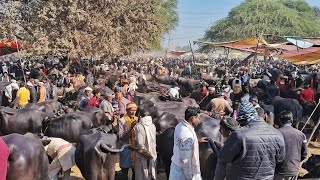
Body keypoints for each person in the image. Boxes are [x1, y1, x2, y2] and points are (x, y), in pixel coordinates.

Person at [214, 102, 285, 180]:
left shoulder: (239, 135)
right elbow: (280, 159)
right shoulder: (277, 134)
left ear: (242, 120)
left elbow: (223, 160)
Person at [169, 106, 202, 180]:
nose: (199, 121)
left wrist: (196, 140)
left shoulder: (179, 125)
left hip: (176, 165)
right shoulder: (186, 134)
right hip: (182, 171)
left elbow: (182, 143)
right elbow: (185, 160)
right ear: (192, 118)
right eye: (198, 118)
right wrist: (189, 176)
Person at [275, 111, 308, 180]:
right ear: (292, 121)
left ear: (280, 121)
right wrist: (295, 161)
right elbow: (304, 154)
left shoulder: (276, 133)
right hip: (294, 169)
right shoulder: (301, 135)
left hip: (279, 170)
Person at [134, 109, 157, 180]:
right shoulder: (153, 126)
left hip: (142, 155)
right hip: (152, 154)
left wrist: (147, 154)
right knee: (150, 175)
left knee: (141, 175)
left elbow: (140, 145)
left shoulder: (138, 127)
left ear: (140, 117)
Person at [118, 102, 139, 180]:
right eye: (131, 110)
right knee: (125, 171)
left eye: (135, 110)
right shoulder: (122, 121)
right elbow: (121, 137)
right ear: (127, 110)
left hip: (136, 148)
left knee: (135, 171)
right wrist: (131, 128)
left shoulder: (138, 119)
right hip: (126, 148)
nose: (133, 112)